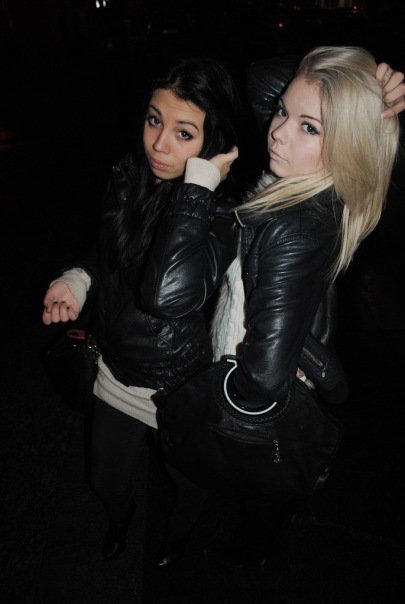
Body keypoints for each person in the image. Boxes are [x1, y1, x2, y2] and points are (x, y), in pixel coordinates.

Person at [147, 46, 403, 569]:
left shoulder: (294, 227)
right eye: (283, 112)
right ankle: (249, 541)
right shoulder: (315, 189)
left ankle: (248, 553)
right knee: (260, 485)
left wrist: (244, 370)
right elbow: (260, 77)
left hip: (259, 377)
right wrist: (360, 84)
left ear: (348, 143)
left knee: (250, 475)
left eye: (309, 127)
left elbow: (261, 377)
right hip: (288, 366)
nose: (278, 132)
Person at [41, 56, 241, 561]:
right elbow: (110, 256)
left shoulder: (221, 216)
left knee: (189, 485)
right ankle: (120, 517)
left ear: (213, 144)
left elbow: (168, 293)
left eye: (184, 133)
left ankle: (178, 536)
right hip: (117, 371)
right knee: (104, 480)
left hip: (179, 387)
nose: (158, 144)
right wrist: (77, 279)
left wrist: (197, 190)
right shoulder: (128, 177)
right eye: (154, 120)